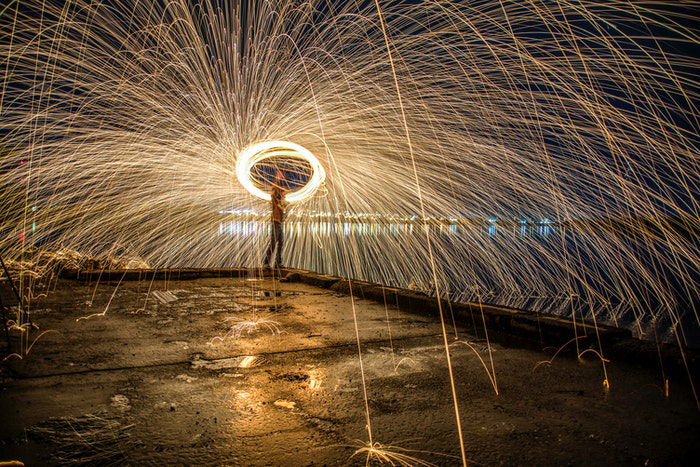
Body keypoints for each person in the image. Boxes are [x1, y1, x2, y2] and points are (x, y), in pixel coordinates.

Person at [264, 170, 287, 268]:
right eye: (283, 191)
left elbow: (283, 207)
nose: (285, 192)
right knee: (273, 242)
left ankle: (278, 263)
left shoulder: (281, 200)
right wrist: (277, 178)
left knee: (281, 242)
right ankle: (266, 263)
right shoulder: (275, 197)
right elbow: (275, 190)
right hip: (275, 221)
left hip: (280, 222)